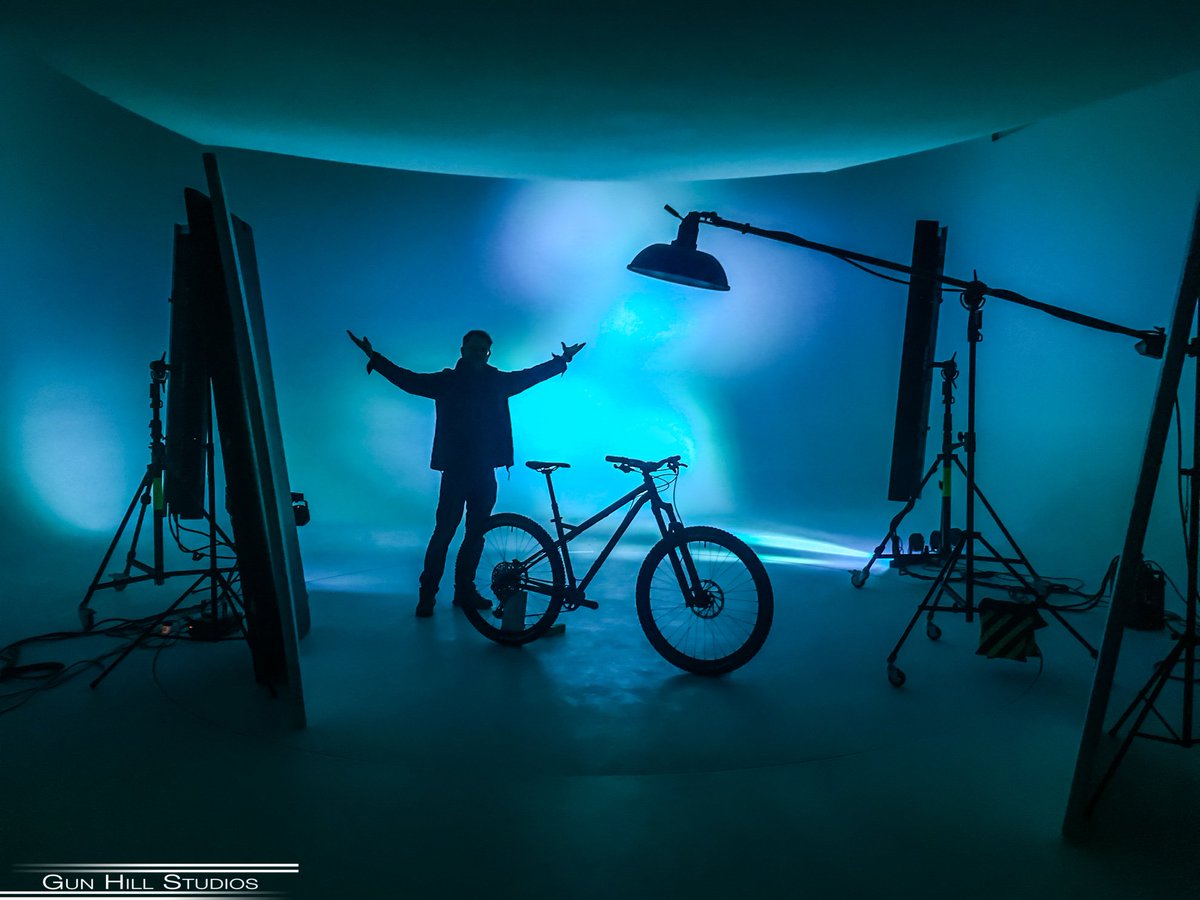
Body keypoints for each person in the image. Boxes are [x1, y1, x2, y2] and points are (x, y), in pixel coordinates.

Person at [348, 328, 585, 617]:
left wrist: (562, 360)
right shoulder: (455, 381)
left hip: (481, 472)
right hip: (461, 472)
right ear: (463, 351)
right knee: (447, 533)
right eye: (473, 349)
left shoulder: (490, 381)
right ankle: (433, 595)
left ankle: (460, 592)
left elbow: (529, 376)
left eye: (482, 350)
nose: (477, 354)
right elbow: (408, 380)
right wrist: (375, 357)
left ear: (487, 353)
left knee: (473, 534)